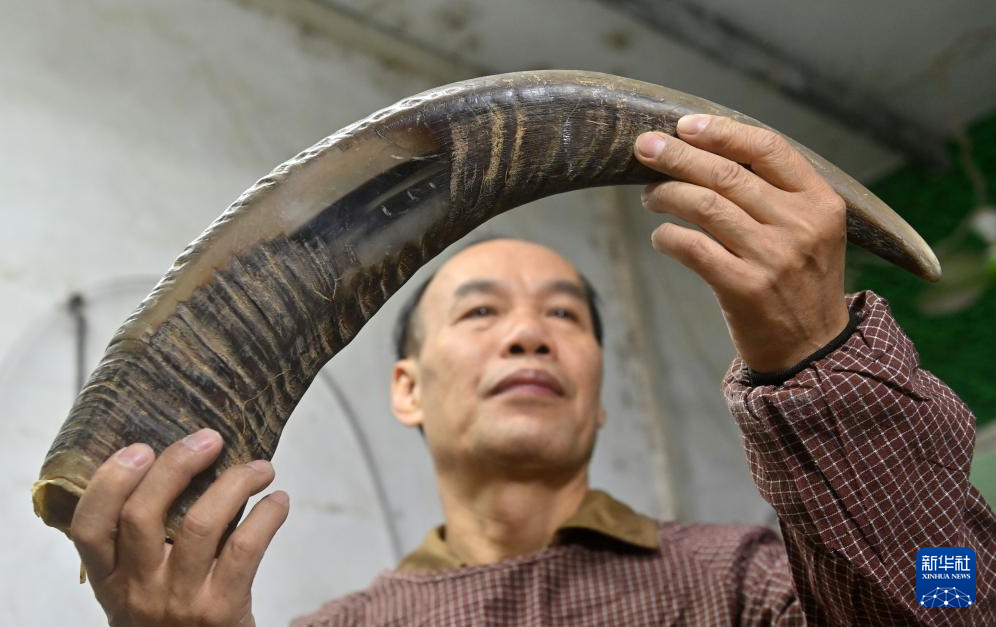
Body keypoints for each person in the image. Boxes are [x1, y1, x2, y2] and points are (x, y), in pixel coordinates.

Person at [69, 115, 994, 625]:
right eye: (481, 312)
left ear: (599, 396)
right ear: (407, 389)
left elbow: (959, 595)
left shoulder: (754, 579)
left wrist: (820, 362)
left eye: (564, 315)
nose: (529, 335)